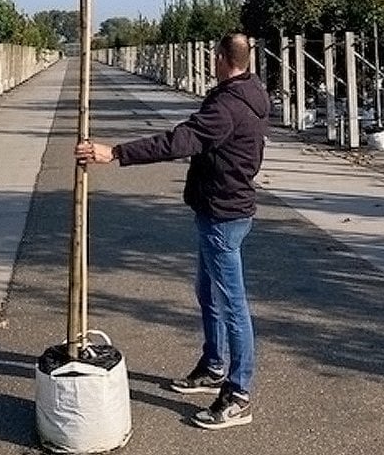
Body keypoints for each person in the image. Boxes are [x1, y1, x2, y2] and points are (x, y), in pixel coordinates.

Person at [75, 32, 269, 431]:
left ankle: (238, 394)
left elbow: (179, 141)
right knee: (208, 292)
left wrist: (116, 153)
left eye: (214, 57)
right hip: (222, 209)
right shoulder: (250, 92)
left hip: (223, 215)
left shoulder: (228, 105)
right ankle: (213, 365)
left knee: (233, 306)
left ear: (220, 58)